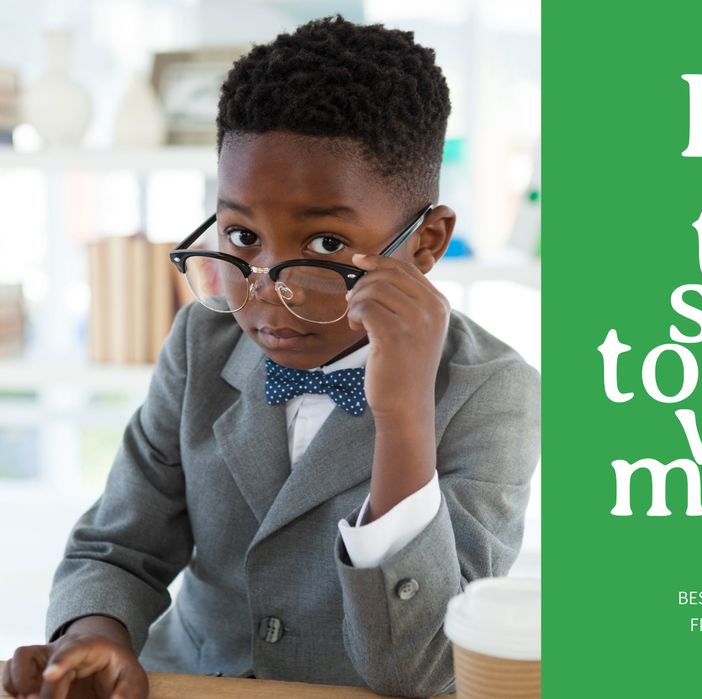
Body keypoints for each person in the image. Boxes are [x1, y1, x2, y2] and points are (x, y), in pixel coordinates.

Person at [2, 15, 539, 699]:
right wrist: (93, 634)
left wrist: (403, 415)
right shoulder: (202, 342)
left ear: (427, 243)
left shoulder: (496, 395)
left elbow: (422, 669)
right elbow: (118, 543)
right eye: (242, 234)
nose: (265, 289)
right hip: (191, 681)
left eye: (323, 247)